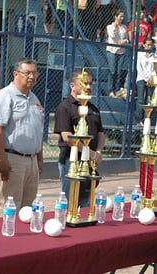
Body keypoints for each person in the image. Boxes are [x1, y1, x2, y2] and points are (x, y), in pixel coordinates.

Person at [0, 58, 44, 217]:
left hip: (31, 161)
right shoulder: (5, 96)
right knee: (8, 208)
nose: (32, 77)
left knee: (29, 211)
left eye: (34, 73)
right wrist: (2, 160)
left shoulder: (34, 98)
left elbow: (38, 131)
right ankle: (2, 240)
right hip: (12, 159)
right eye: (27, 73)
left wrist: (39, 159)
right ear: (15, 74)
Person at [54, 69, 105, 207]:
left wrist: (98, 152)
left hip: (90, 163)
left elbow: (100, 133)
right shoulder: (65, 107)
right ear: (73, 86)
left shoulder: (92, 108)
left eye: (90, 83)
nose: (88, 87)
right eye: (84, 84)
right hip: (71, 162)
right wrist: (90, 154)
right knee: (71, 201)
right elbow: (67, 137)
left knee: (86, 202)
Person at [106, 9, 129, 95]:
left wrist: (125, 41)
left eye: (123, 16)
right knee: (112, 71)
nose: (122, 18)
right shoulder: (110, 27)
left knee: (119, 71)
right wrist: (115, 26)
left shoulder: (124, 27)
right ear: (116, 17)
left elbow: (127, 38)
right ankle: (110, 90)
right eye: (120, 16)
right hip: (112, 50)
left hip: (121, 51)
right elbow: (112, 36)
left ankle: (117, 89)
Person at [135, 38, 155, 123]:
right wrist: (145, 78)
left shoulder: (154, 55)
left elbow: (154, 69)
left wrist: (151, 78)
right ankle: (138, 120)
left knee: (149, 100)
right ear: (144, 45)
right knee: (140, 100)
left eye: (150, 45)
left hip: (151, 80)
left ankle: (146, 120)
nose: (149, 47)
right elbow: (139, 68)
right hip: (141, 78)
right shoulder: (139, 54)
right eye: (147, 45)